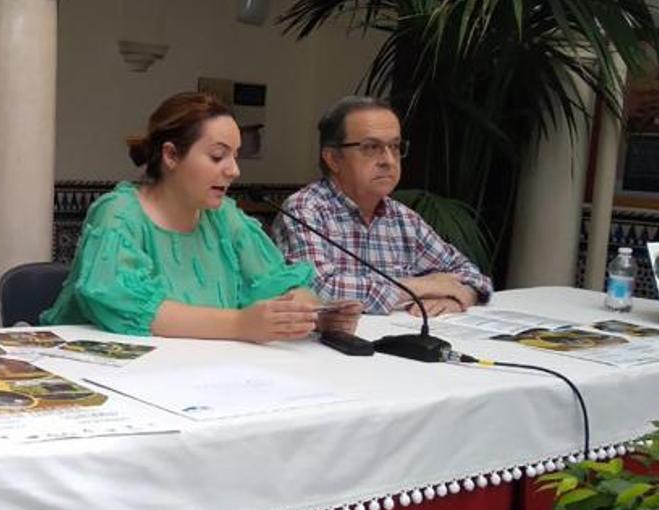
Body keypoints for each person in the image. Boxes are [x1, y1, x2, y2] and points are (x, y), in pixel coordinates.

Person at [40, 92, 361, 342]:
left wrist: (307, 313)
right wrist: (240, 324)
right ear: (170, 155)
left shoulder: (224, 217)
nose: (234, 170)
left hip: (204, 378)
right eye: (218, 156)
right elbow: (127, 308)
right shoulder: (120, 214)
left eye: (235, 156)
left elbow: (280, 284)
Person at [270, 96, 492, 318]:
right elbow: (316, 289)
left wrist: (458, 297)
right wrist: (421, 286)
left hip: (398, 341)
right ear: (333, 159)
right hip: (323, 346)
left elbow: (471, 275)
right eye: (371, 147)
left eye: (395, 147)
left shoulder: (403, 218)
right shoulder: (304, 210)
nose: (388, 160)